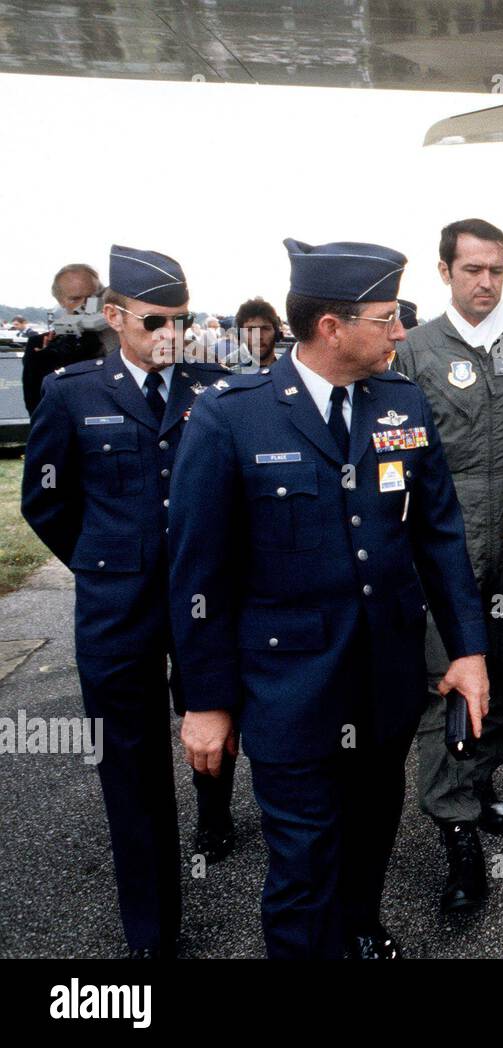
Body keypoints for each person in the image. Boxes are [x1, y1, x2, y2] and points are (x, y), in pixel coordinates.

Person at [169, 238, 489, 959]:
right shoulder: (231, 416)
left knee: (373, 830)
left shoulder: (402, 403)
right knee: (304, 866)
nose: (402, 331)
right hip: (290, 689)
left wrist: (469, 650)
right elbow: (198, 577)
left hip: (384, 681)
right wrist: (207, 701)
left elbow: (440, 535)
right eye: (388, 317)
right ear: (331, 328)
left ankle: (358, 927)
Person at [21, 245, 229, 957]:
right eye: (155, 321)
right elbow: (46, 500)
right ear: (114, 317)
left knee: (217, 726)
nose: (172, 333)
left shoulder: (215, 389)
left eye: (184, 319)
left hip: (204, 604)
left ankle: (216, 817)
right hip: (119, 613)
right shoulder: (73, 392)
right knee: (131, 772)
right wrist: (104, 564)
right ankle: (152, 932)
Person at [393, 218, 503, 914]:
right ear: (445, 273)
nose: (486, 282)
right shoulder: (415, 351)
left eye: (496, 269)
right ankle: (457, 832)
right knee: (451, 689)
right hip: (441, 544)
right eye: (471, 269)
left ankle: (478, 776)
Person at [21, 262, 118, 413]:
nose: (85, 306)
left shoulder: (121, 334)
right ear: (61, 301)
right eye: (75, 299)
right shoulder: (42, 344)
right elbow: (36, 404)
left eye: (93, 297)